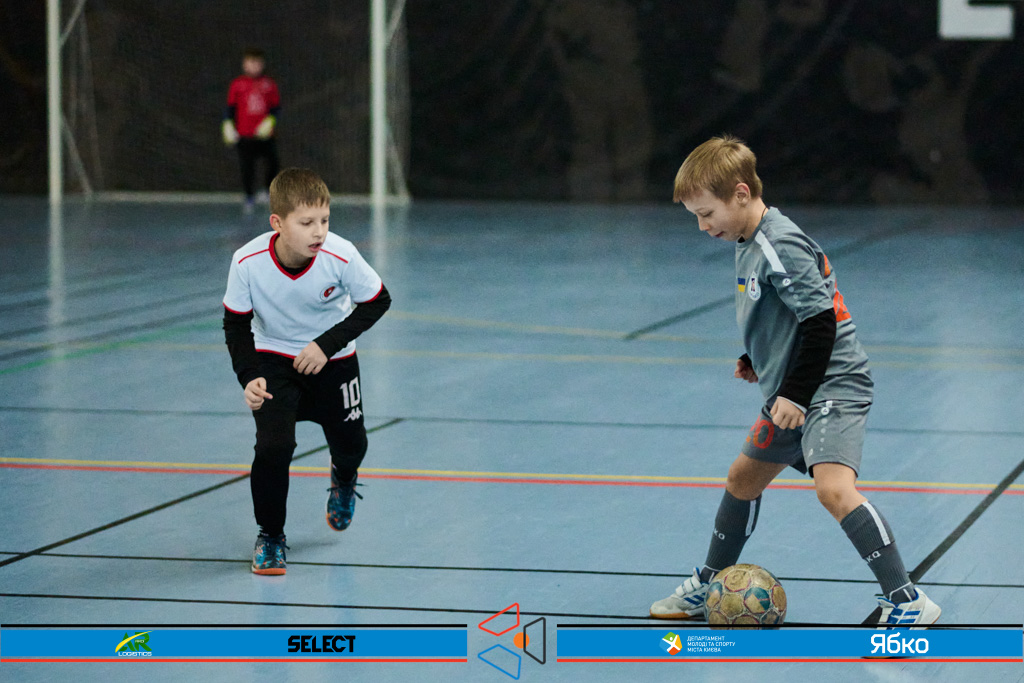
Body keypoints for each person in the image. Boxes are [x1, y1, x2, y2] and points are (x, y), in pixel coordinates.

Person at [649, 135, 940, 626]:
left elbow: (821, 322)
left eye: (706, 213)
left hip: (830, 386)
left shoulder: (777, 242)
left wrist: (796, 394)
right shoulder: (746, 238)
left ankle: (908, 598)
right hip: (795, 386)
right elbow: (784, 313)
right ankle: (711, 582)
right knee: (743, 478)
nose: (702, 226)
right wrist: (759, 357)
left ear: (741, 194)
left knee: (833, 489)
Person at [222, 168, 391, 575]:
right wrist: (249, 376)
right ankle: (270, 537)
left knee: (352, 444)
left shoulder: (341, 255)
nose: (319, 232)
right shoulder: (247, 262)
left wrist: (325, 344)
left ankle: (343, 479)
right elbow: (236, 324)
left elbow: (377, 300)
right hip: (274, 359)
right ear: (277, 223)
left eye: (325, 220)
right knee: (273, 447)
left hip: (334, 361)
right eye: (307, 223)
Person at [223, 48, 281, 213]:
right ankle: (249, 196)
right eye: (250, 62)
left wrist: (270, 121)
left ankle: (268, 192)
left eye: (257, 63)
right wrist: (228, 124)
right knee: (247, 166)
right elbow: (230, 108)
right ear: (244, 64)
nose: (254, 66)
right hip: (245, 134)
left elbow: (276, 108)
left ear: (262, 64)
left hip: (264, 135)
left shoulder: (269, 84)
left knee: (273, 162)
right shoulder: (237, 84)